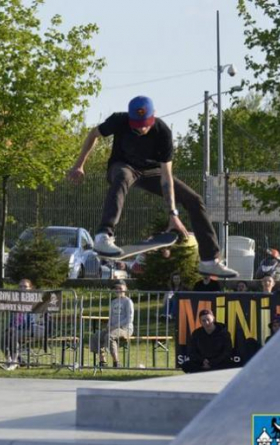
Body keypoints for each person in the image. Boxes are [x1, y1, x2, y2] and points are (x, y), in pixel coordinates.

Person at [67, 95, 237, 278]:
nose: (141, 128)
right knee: (123, 176)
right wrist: (79, 164)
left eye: (145, 124)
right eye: (137, 125)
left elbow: (166, 176)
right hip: (122, 166)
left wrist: (173, 214)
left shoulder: (162, 132)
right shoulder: (119, 120)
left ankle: (210, 261)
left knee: (194, 200)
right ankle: (103, 236)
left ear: (153, 116)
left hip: (153, 173)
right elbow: (94, 134)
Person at [91, 280, 134, 368]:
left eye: (120, 288)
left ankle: (116, 362)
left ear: (125, 289)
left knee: (109, 336)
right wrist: (108, 326)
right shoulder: (113, 302)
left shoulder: (128, 301)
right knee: (96, 336)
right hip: (113, 328)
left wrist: (115, 326)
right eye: (116, 288)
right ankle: (102, 361)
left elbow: (130, 318)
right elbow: (110, 316)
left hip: (125, 329)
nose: (118, 290)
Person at [181, 309, 234, 373]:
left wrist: (212, 362)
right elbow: (192, 351)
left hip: (219, 362)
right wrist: (203, 361)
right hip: (202, 362)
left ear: (213, 319)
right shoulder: (196, 333)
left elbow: (227, 351)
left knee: (232, 366)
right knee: (186, 365)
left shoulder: (223, 333)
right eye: (203, 320)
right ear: (200, 322)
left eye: (208, 319)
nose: (206, 323)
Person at [2, 278, 37, 370]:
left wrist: (17, 328)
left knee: (14, 335)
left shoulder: (34, 302)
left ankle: (14, 361)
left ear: (30, 288)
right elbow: (12, 318)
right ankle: (9, 360)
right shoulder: (15, 302)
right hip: (14, 328)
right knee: (4, 336)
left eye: (25, 286)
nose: (22, 288)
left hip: (28, 329)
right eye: (20, 286)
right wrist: (10, 327)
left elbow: (31, 321)